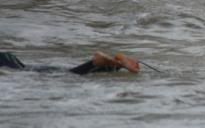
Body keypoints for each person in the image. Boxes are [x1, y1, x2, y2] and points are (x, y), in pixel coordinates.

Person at [0, 51, 142, 75]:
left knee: (68, 74)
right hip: (8, 59)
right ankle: (114, 64)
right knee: (65, 73)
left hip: (4, 61)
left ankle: (98, 62)